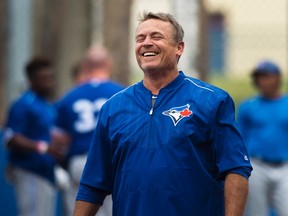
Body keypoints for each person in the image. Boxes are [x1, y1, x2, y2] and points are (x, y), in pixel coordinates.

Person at [74, 12, 252, 216]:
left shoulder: (212, 100)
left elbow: (236, 169)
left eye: (156, 37)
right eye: (140, 38)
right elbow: (92, 184)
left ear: (179, 48)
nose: (146, 43)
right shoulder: (113, 107)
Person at [53, 46, 125, 216]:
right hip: (114, 160)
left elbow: (58, 138)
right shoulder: (123, 93)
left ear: (85, 66)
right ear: (108, 64)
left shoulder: (70, 96)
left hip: (81, 161)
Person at [3, 57, 65, 216]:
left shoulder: (46, 104)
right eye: (44, 79)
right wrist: (43, 147)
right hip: (29, 169)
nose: (49, 83)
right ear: (31, 80)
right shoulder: (23, 103)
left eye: (50, 78)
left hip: (46, 171)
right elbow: (11, 138)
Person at [238, 60, 288, 216]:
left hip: (284, 165)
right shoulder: (248, 106)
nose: (262, 81)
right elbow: (240, 138)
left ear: (278, 78)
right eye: (259, 77)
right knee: (256, 212)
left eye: (267, 76)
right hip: (257, 164)